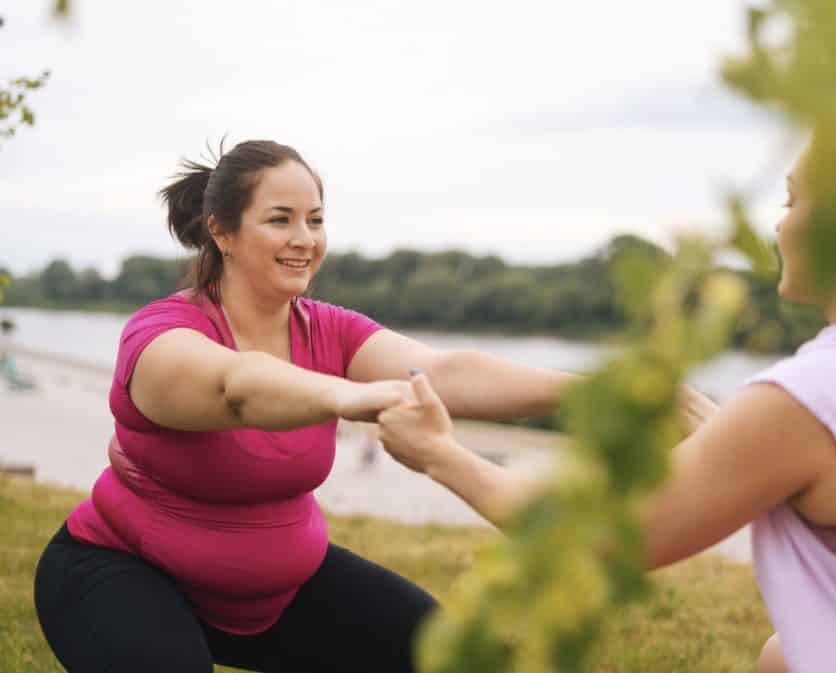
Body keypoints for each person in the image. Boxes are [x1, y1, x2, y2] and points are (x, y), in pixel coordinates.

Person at [377, 156, 836, 672]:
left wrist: (439, 452)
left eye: (793, 201)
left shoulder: (825, 389)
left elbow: (593, 539)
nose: (777, 224)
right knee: (781, 656)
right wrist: (726, 428)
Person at [33, 139, 576, 673]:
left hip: (276, 595)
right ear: (222, 230)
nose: (304, 239)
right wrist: (352, 394)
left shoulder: (330, 329)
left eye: (315, 221)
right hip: (119, 571)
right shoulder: (161, 335)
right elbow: (237, 388)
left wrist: (598, 391)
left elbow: (445, 373)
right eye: (280, 219)